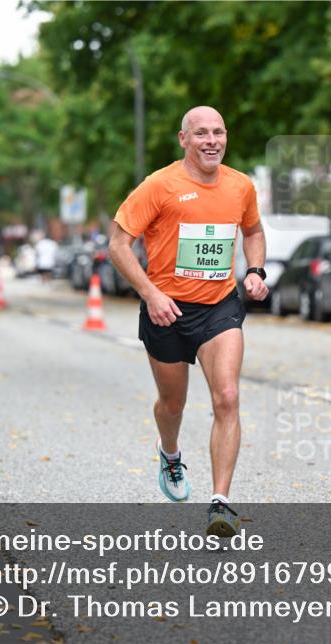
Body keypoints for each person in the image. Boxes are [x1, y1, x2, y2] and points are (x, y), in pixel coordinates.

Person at [109, 105, 268, 538]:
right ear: (184, 139)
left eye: (218, 132)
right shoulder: (159, 186)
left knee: (228, 396)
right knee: (172, 404)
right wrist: (151, 294)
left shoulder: (240, 186)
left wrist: (254, 271)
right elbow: (119, 245)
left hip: (219, 307)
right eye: (201, 133)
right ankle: (171, 452)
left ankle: (221, 503)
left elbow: (253, 232)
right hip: (167, 310)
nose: (211, 140)